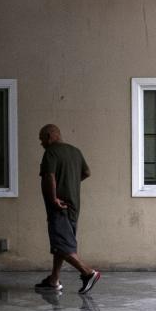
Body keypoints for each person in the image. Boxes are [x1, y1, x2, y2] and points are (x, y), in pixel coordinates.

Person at [34, 124, 102, 294]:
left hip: (59, 206)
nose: (41, 143)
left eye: (42, 139)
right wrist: (70, 182)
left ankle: (88, 273)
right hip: (73, 206)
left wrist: (53, 198)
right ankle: (53, 280)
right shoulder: (75, 151)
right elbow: (87, 172)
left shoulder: (51, 152)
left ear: (50, 136)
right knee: (61, 243)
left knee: (62, 245)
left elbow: (49, 176)